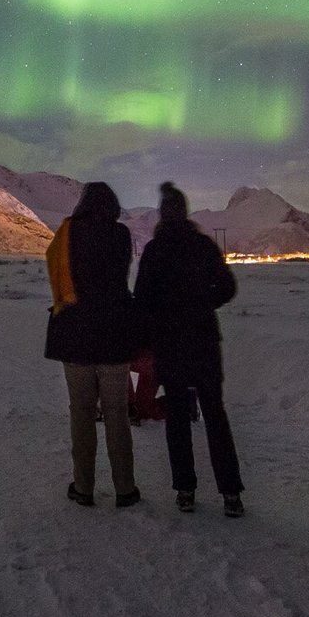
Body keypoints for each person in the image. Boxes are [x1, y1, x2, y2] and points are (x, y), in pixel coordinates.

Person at [134, 181, 245, 517]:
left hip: (170, 346)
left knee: (178, 418)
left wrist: (154, 328)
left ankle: (185, 490)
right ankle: (231, 494)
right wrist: (203, 304)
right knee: (215, 415)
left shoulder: (155, 250)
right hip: (205, 343)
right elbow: (227, 286)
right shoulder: (202, 245)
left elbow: (142, 299)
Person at [44, 181, 141, 508]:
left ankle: (83, 487)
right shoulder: (121, 235)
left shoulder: (67, 235)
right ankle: (125, 489)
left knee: (82, 414)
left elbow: (58, 274)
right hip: (114, 334)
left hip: (75, 335)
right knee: (117, 414)